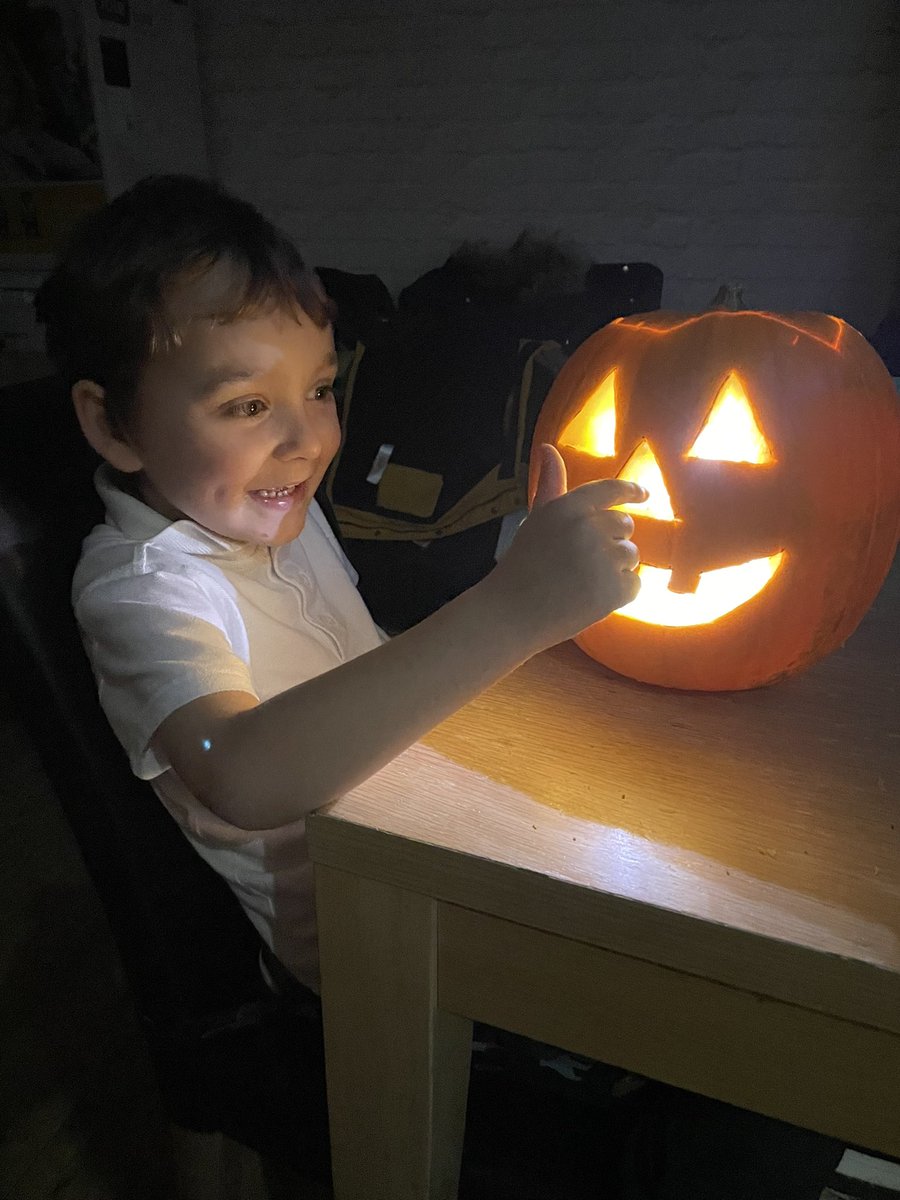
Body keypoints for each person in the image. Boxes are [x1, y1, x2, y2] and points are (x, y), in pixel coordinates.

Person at [35, 174, 844, 1199]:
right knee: (783, 1066)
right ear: (112, 427)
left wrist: (523, 635)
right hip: (387, 948)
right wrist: (509, 610)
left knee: (743, 879)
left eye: (320, 389)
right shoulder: (141, 590)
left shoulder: (266, 509)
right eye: (246, 405)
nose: (307, 442)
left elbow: (367, 660)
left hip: (441, 856)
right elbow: (237, 771)